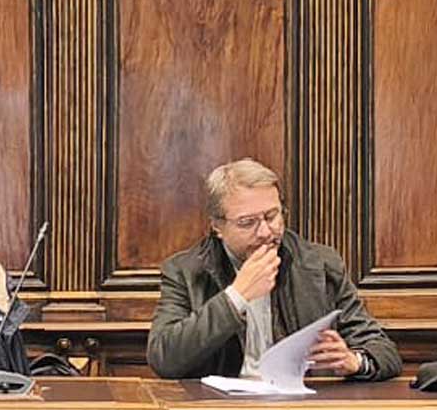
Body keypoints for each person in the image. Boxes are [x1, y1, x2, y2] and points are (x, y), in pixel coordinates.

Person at [147, 159, 402, 381]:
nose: (265, 232)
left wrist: (354, 361)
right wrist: (236, 297)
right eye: (247, 222)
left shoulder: (320, 263)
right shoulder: (185, 271)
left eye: (271, 216)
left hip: (302, 407)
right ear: (217, 227)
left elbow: (383, 350)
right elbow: (164, 358)